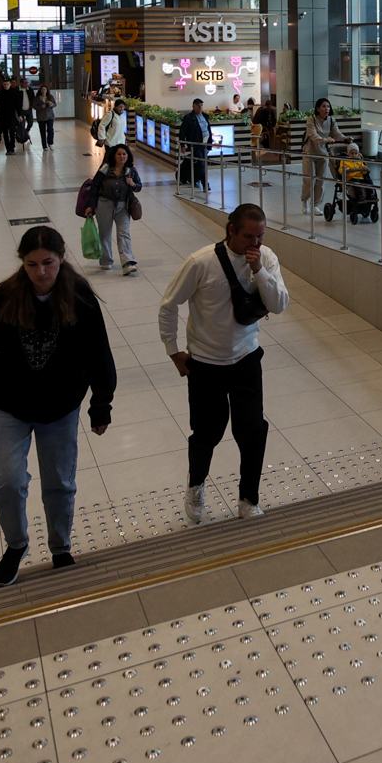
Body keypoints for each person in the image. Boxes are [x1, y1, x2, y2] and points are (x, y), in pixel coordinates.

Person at [0, 227, 116, 585]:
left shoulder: (80, 297)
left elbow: (98, 355)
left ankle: (60, 547)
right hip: (7, 406)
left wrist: (101, 404)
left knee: (59, 483)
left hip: (59, 408)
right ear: (22, 262)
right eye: (32, 264)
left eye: (48, 263)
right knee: (9, 482)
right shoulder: (6, 297)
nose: (41, 272)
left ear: (61, 259)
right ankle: (16, 545)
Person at [157, 203, 288, 523]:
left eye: (261, 236)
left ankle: (248, 498)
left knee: (252, 431)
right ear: (231, 231)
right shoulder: (201, 262)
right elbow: (168, 305)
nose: (256, 243)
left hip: (246, 358)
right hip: (205, 363)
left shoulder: (266, 258)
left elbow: (279, 304)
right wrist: (173, 350)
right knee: (206, 433)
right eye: (249, 237)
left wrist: (259, 271)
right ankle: (196, 486)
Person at [76, 144, 141, 275]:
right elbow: (95, 186)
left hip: (123, 206)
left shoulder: (131, 171)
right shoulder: (105, 169)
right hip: (104, 204)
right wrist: (91, 205)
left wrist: (133, 184)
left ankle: (127, 262)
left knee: (124, 233)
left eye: (124, 154)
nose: (122, 157)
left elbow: (139, 186)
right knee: (105, 233)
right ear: (114, 156)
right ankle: (106, 260)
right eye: (119, 154)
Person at [300, 97, 339, 205]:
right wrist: (326, 140)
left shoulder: (331, 121)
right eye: (324, 106)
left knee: (321, 180)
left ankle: (316, 204)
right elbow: (313, 135)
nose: (326, 109)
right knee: (309, 180)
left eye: (328, 106)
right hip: (310, 153)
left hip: (323, 154)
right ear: (318, 108)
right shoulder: (311, 120)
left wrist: (346, 139)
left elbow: (337, 134)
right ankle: (304, 200)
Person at [177, 97, 211, 190]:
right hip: (195, 145)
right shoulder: (189, 118)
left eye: (201, 105)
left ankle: (194, 178)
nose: (200, 107)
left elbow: (208, 130)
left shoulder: (205, 116)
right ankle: (205, 184)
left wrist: (210, 144)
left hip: (205, 144)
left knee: (201, 164)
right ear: (193, 106)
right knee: (201, 163)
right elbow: (182, 132)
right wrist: (182, 145)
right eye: (198, 105)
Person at [0, 80, 28, 154]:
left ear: (10, 84)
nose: (6, 86)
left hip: (12, 115)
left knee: (12, 131)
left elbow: (17, 104)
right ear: (3, 85)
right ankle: (8, 148)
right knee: (5, 132)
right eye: (4, 84)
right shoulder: (0, 93)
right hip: (3, 115)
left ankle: (12, 147)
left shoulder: (14, 92)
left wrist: (20, 115)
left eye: (7, 84)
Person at [252, 96, 280, 161]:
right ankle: (268, 145)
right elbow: (271, 118)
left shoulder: (260, 108)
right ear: (269, 105)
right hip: (259, 127)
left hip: (254, 125)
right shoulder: (267, 110)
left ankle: (265, 143)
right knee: (270, 132)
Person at [31, 84, 58, 149]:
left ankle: (50, 143)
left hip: (50, 116)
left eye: (45, 89)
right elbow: (34, 106)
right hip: (41, 117)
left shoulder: (50, 97)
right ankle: (44, 145)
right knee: (42, 131)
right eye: (42, 89)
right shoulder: (37, 98)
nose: (43, 91)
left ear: (47, 90)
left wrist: (51, 104)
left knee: (50, 129)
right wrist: (40, 107)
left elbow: (55, 104)